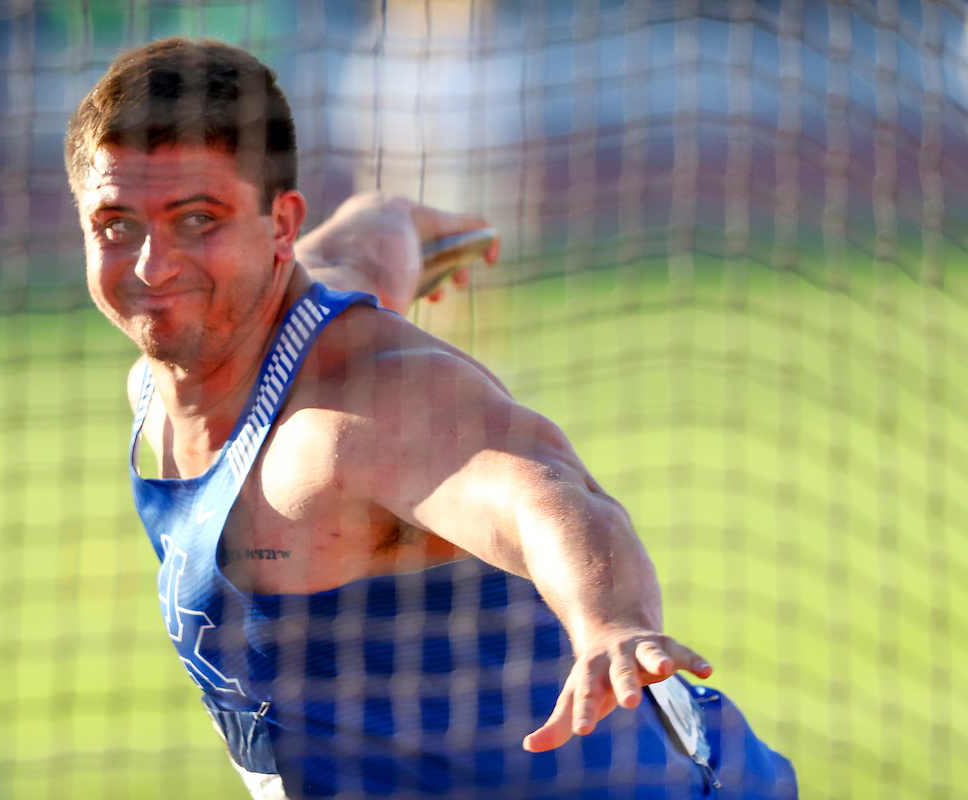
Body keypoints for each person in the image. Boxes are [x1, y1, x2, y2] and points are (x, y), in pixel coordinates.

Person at [65, 37, 796, 800]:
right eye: (117, 224)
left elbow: (541, 494)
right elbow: (372, 234)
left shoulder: (348, 421)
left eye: (197, 220)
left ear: (280, 226)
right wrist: (421, 227)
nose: (153, 266)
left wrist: (611, 622)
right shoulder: (172, 372)